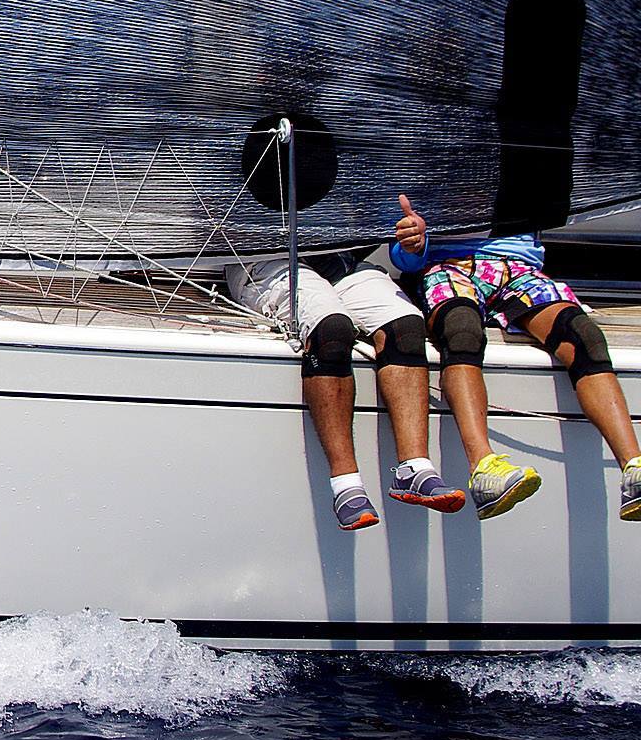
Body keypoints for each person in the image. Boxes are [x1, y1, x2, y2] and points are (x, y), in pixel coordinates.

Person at [392, 193, 641, 521]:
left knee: (584, 337)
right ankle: (484, 469)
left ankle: (634, 470)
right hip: (446, 266)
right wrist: (413, 243)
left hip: (518, 270)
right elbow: (399, 254)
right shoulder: (425, 173)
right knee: (462, 329)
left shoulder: (528, 170)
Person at [227, 252, 465, 531]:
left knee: (406, 327)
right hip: (267, 259)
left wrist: (413, 243)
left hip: (341, 261)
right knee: (331, 328)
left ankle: (413, 469)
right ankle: (346, 486)